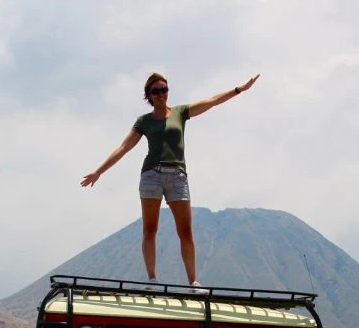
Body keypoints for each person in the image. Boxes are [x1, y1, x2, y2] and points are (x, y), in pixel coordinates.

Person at [81, 72, 260, 291]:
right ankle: (152, 280)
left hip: (177, 176)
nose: (161, 94)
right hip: (152, 176)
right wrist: (99, 172)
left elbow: (212, 101)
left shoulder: (180, 113)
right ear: (149, 95)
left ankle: (193, 282)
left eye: (164, 89)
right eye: (156, 91)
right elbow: (124, 147)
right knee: (150, 229)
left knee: (185, 231)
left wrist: (239, 90)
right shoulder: (144, 121)